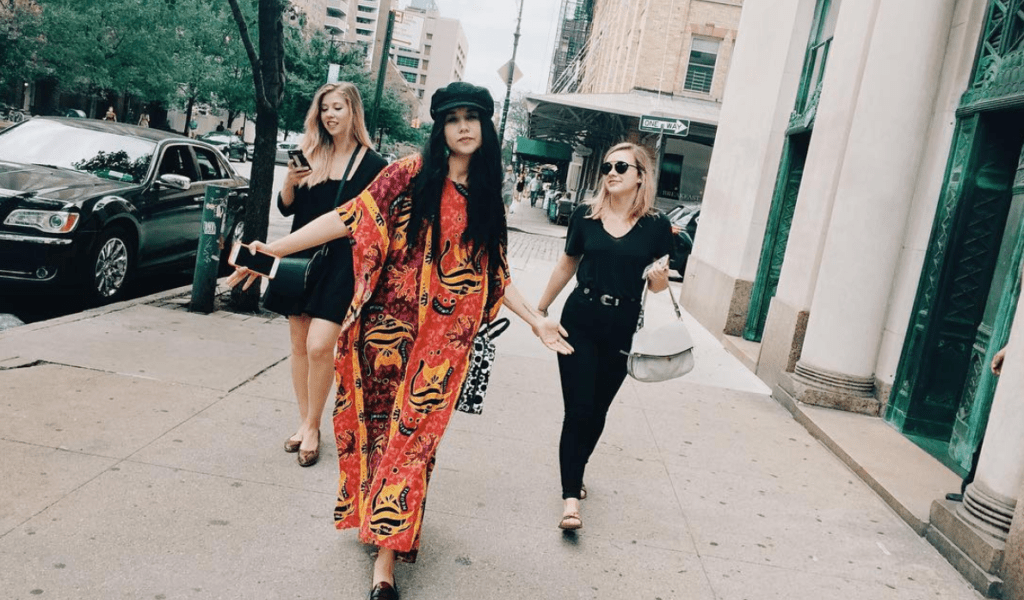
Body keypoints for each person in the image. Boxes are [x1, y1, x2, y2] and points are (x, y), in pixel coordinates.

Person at [227, 81, 570, 600]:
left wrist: (537, 320)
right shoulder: (408, 174)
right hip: (384, 334)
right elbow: (348, 218)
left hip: (443, 348)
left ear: (486, 126)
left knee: (413, 445)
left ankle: (384, 565)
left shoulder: (487, 195)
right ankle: (382, 526)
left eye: (472, 117)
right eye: (452, 118)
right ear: (440, 127)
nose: (463, 127)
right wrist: (272, 250)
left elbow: (495, 275)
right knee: (379, 436)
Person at [535, 142, 674, 531]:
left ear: (640, 177)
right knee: (578, 409)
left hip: (622, 325)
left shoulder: (657, 225)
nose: (611, 172)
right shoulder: (585, 216)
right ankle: (570, 498)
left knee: (597, 411)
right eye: (608, 166)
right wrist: (539, 311)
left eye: (621, 167)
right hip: (579, 319)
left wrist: (659, 279)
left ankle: (577, 469)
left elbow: (658, 285)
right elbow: (567, 264)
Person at [261, 82, 388, 468]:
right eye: (325, 108)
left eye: (337, 107)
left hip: (341, 264)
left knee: (320, 346)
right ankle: (307, 423)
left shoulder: (373, 164)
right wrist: (289, 182)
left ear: (353, 112)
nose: (330, 115)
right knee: (299, 345)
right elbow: (287, 208)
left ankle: (313, 423)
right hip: (299, 258)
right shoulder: (309, 152)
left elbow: (375, 221)